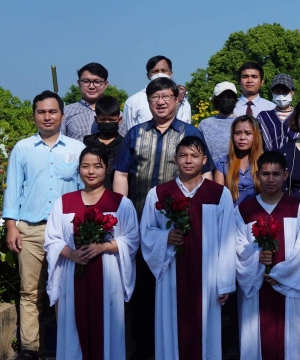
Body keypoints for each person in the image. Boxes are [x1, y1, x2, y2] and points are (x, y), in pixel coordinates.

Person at [113, 77, 213, 359]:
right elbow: (121, 172)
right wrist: (125, 210)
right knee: (144, 290)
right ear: (148, 102)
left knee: (179, 289)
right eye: (155, 97)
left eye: (167, 97)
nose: (160, 102)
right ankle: (145, 349)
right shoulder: (134, 134)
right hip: (146, 226)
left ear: (176, 100)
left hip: (181, 227)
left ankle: (180, 346)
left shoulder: (190, 133)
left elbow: (205, 173)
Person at [3, 90, 86, 360]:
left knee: (66, 292)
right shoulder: (22, 148)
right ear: (34, 116)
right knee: (30, 292)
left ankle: (68, 348)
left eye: (52, 111)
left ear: (62, 115)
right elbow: (13, 189)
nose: (47, 117)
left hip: (66, 232)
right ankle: (30, 349)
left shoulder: (77, 149)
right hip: (31, 230)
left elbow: (85, 189)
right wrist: (11, 226)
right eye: (42, 112)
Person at [140, 136, 236, 360]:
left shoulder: (219, 194)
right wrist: (165, 237)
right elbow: (146, 233)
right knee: (172, 330)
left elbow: (228, 239)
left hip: (208, 278)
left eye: (194, 156)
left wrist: (225, 282)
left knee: (206, 332)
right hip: (171, 273)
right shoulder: (159, 193)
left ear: (204, 160)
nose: (188, 160)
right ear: (174, 159)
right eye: (183, 155)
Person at [44, 147, 139, 360]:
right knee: (73, 328)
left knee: (106, 326)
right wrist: (71, 254)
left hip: (108, 275)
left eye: (98, 166)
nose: (91, 171)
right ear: (78, 169)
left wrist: (103, 247)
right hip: (73, 274)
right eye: (85, 166)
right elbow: (52, 239)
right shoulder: (64, 202)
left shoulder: (120, 203)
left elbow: (132, 238)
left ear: (107, 169)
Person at [236, 151, 300, 360]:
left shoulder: (299, 208)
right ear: (257, 175)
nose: (270, 179)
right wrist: (257, 259)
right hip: (257, 285)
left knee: (291, 341)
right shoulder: (245, 210)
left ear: (285, 175)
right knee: (256, 338)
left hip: (290, 286)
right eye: (265, 174)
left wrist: (280, 272)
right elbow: (237, 247)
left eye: (276, 174)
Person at [62, 62, 127, 141]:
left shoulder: (118, 115)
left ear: (106, 84)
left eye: (97, 82)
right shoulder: (66, 112)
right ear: (79, 83)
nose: (91, 86)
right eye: (86, 81)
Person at [123, 55, 191, 130]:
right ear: (148, 75)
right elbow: (131, 133)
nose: (159, 74)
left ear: (170, 74)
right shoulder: (133, 101)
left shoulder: (183, 102)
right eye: (155, 71)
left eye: (163, 70)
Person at [214, 115, 263, 206]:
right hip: (231, 216)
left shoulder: (265, 163)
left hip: (259, 216)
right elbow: (218, 198)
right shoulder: (222, 164)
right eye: (237, 133)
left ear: (256, 136)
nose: (242, 138)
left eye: (248, 133)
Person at [82, 96, 124, 190]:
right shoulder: (87, 143)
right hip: (89, 195)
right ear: (96, 120)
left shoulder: (125, 145)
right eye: (103, 120)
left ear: (119, 120)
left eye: (112, 120)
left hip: (115, 197)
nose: (107, 123)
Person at [256, 73, 298, 151]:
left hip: (295, 160)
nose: (281, 95)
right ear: (272, 92)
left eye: (285, 92)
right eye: (277, 92)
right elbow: (257, 143)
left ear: (292, 92)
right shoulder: (263, 117)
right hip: (269, 160)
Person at [198, 81, 238, 163]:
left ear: (236, 101)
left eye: (230, 97)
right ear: (214, 101)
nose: (226, 100)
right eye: (222, 97)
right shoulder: (205, 125)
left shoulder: (243, 123)